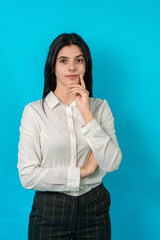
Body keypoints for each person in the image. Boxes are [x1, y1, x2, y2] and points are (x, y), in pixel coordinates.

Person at [17, 33, 122, 240]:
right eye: (63, 61)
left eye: (79, 60)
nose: (71, 67)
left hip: (95, 207)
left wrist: (87, 114)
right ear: (53, 67)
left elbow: (112, 163)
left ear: (86, 66)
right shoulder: (34, 112)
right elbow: (28, 176)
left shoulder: (100, 108)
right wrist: (84, 171)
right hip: (50, 209)